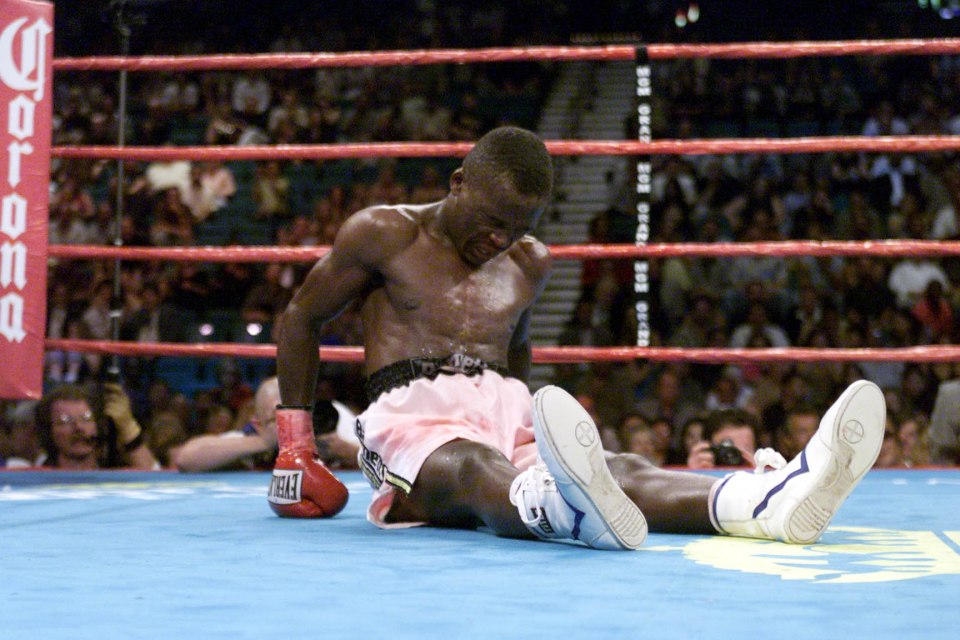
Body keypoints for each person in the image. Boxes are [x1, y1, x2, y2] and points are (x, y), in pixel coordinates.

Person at [270, 125, 887, 550]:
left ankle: (766, 502)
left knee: (621, 468)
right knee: (472, 469)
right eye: (490, 223)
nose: (498, 241)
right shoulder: (385, 234)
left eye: (515, 229)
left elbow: (514, 354)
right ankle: (560, 506)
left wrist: (526, 416)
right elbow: (301, 316)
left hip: (501, 410)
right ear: (458, 182)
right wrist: (293, 444)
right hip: (413, 423)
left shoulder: (528, 262)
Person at [171, 376, 359, 472]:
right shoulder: (252, 439)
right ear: (258, 422)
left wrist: (344, 450)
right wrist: (263, 443)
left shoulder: (329, 420)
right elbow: (185, 459)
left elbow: (383, 458)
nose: (289, 421)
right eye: (276, 417)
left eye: (294, 411)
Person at [33, 383, 158, 471]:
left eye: (86, 419)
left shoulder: (116, 476)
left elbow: (158, 485)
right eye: (66, 421)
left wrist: (128, 428)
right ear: (49, 431)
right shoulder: (35, 479)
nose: (78, 427)